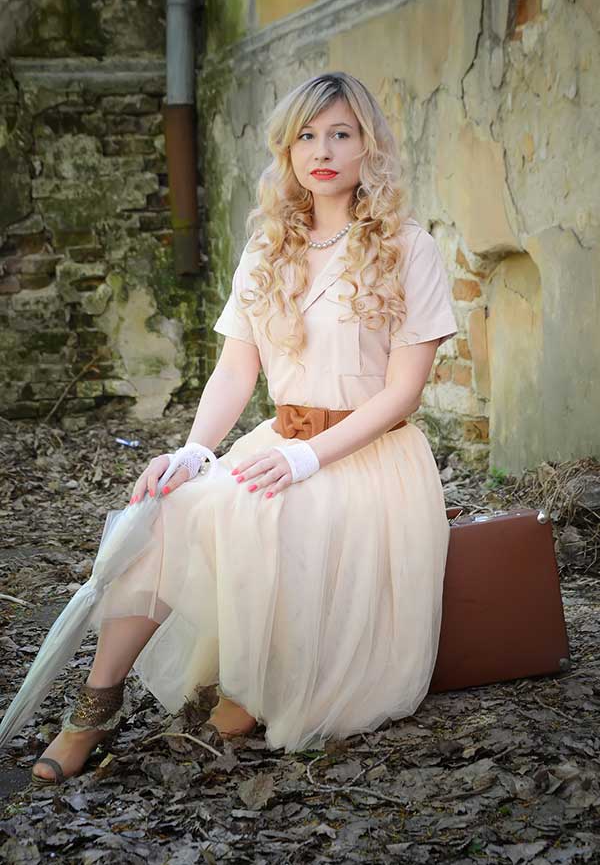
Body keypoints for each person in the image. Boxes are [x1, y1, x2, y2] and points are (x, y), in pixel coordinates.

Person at [31, 71, 458, 785]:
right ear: (287, 152)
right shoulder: (268, 250)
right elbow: (236, 370)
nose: (321, 149)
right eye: (306, 136)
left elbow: (402, 394)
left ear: (368, 147)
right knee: (166, 510)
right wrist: (196, 450)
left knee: (270, 509)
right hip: (279, 440)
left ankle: (252, 686)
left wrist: (306, 461)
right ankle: (92, 713)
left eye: (340, 133)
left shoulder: (408, 247)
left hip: (368, 455)